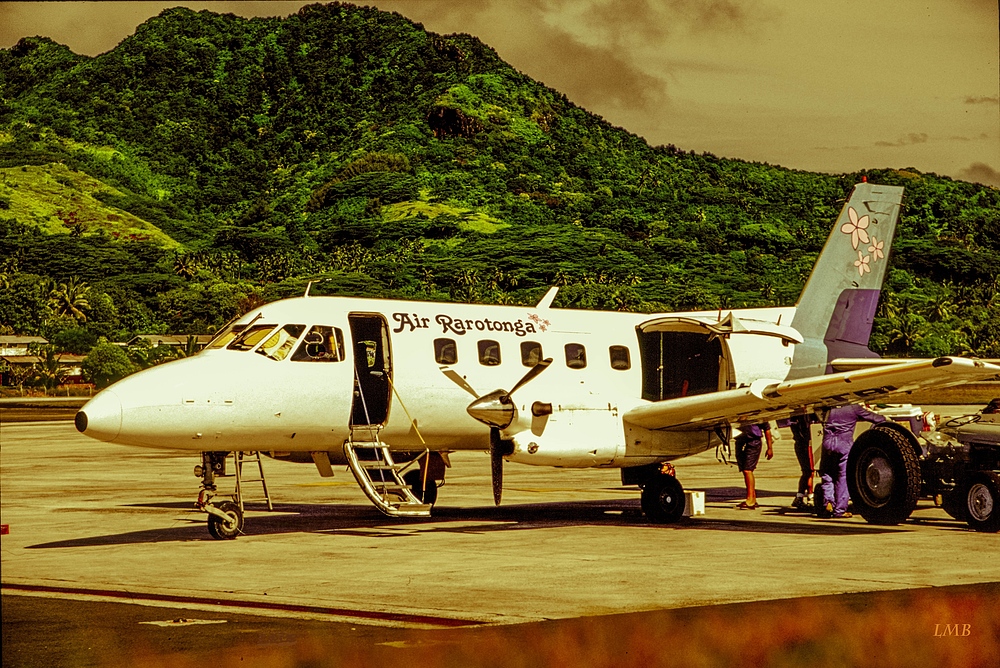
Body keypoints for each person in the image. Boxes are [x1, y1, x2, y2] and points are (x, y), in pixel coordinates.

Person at [818, 404, 886, 518]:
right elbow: (876, 418)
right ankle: (840, 510)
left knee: (827, 474)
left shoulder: (827, 406)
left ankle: (828, 501)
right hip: (844, 444)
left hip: (827, 443)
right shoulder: (854, 408)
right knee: (843, 477)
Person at [735, 422, 773, 509]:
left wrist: (769, 448)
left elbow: (767, 429)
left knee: (748, 470)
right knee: (744, 469)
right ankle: (753, 498)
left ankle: (750, 500)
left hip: (753, 441)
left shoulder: (757, 414)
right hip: (740, 441)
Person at [788, 414, 815, 510]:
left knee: (808, 471)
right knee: (808, 471)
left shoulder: (798, 418)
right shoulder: (800, 419)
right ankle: (807, 496)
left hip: (805, 444)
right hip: (804, 445)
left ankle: (804, 496)